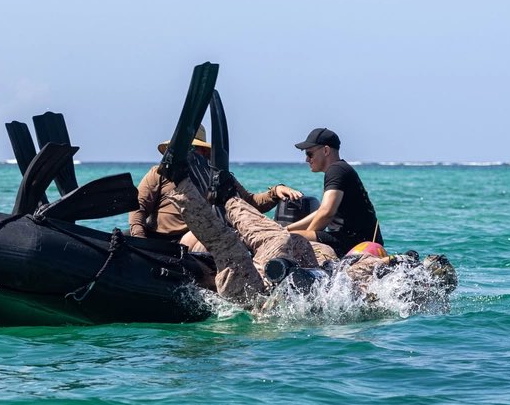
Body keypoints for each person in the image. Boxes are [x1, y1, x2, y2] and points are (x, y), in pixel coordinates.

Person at [160, 156, 319, 311]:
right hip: (193, 244)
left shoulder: (214, 173)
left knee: (233, 242)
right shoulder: (157, 176)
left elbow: (250, 201)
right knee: (289, 240)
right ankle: (227, 197)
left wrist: (272, 193)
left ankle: (188, 184)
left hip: (249, 290)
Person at [129, 125, 303, 244]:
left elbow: (249, 203)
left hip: (205, 239)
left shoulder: (218, 177)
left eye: (191, 149)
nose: (185, 154)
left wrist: (275, 191)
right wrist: (139, 240)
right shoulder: (159, 172)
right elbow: (138, 206)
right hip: (165, 241)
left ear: (203, 152)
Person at [286, 127, 383, 257]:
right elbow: (321, 212)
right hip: (357, 239)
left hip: (355, 242)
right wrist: (287, 228)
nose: (307, 160)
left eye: (309, 154)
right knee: (286, 233)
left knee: (289, 239)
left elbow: (327, 213)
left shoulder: (336, 170)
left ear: (326, 150)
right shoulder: (340, 169)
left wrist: (306, 241)